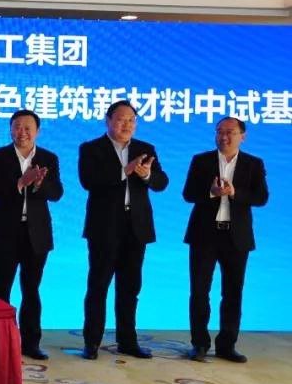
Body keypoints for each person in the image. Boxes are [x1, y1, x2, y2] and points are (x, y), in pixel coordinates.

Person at [78, 100, 168, 360]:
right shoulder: (91, 148)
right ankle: (92, 342)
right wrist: (124, 171)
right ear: (108, 121)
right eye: (120, 119)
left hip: (136, 228)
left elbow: (161, 182)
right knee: (98, 286)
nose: (126, 124)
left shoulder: (145, 149)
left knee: (130, 287)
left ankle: (127, 341)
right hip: (104, 228)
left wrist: (146, 175)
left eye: (131, 120)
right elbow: (89, 181)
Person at [183, 117, 268, 363]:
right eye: (219, 131)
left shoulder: (253, 164)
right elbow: (188, 194)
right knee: (199, 291)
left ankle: (226, 346)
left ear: (243, 136)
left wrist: (234, 193)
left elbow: (261, 197)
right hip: (204, 235)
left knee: (232, 293)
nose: (224, 136)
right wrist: (211, 193)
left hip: (236, 237)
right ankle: (199, 344)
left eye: (230, 132)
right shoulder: (201, 160)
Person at [0, 109, 63, 360]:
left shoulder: (48, 158)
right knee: (1, 288)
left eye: (28, 127)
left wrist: (39, 184)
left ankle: (31, 343)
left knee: (31, 289)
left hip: (37, 235)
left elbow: (57, 193)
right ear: (10, 129)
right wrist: (20, 182)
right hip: (4, 233)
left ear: (37, 131)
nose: (22, 132)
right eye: (17, 126)